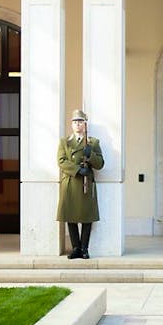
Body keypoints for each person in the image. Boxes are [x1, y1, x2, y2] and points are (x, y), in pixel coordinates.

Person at [57, 109, 104, 259]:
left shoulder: (93, 142)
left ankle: (84, 248)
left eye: (81, 121)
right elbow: (61, 161)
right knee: (70, 217)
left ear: (85, 124)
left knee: (86, 217)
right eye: (75, 122)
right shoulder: (65, 142)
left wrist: (90, 154)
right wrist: (77, 169)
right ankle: (75, 248)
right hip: (71, 183)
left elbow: (100, 164)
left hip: (86, 185)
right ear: (72, 124)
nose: (78, 124)